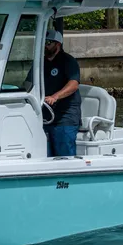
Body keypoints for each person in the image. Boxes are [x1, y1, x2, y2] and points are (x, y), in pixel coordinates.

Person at [41, 29, 81, 157]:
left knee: (64, 155)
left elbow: (74, 84)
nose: (45, 46)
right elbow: (29, 84)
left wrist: (55, 96)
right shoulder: (41, 63)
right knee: (44, 154)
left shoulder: (68, 61)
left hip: (65, 117)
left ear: (57, 44)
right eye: (43, 42)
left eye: (48, 42)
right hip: (45, 117)